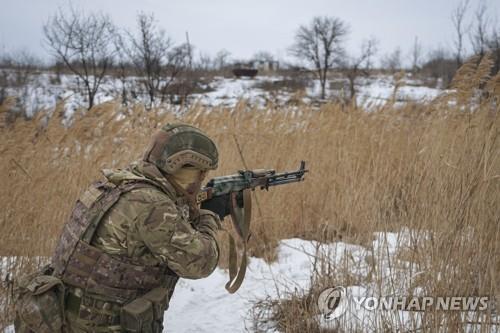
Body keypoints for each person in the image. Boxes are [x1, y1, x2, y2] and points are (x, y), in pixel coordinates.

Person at [50, 123, 230, 332]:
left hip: (61, 313)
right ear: (178, 166)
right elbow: (200, 263)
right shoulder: (152, 204)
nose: (200, 180)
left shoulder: (115, 184)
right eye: (199, 173)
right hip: (99, 324)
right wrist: (211, 216)